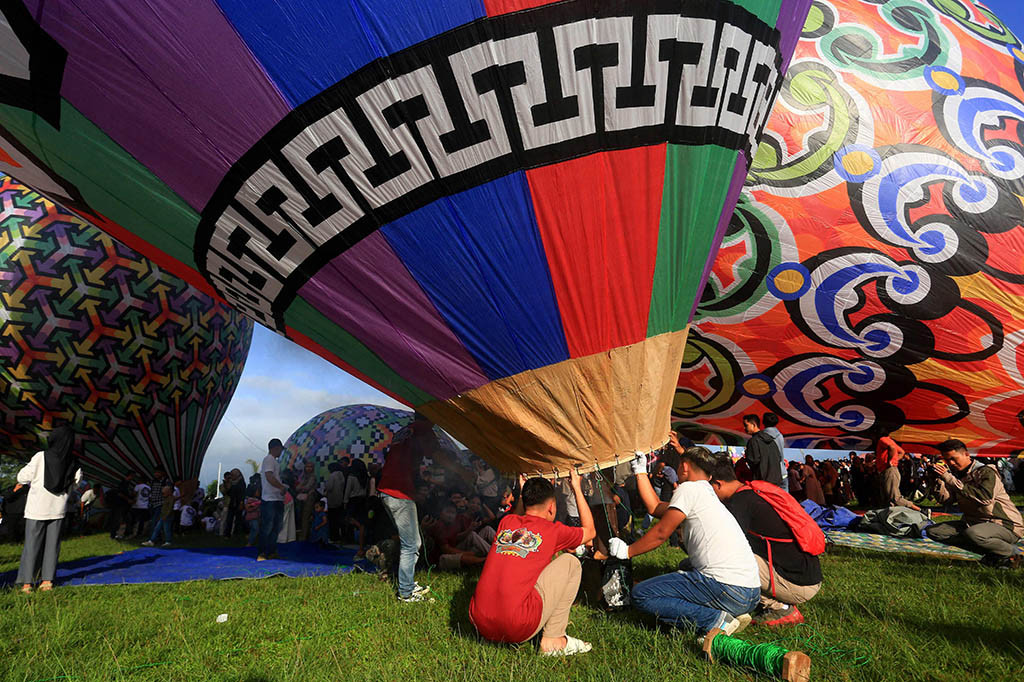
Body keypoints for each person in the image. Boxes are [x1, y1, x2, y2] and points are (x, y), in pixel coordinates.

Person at [607, 445, 760, 637]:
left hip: (729, 591)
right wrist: (640, 472)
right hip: (750, 594)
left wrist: (627, 551)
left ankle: (716, 620)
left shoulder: (688, 489)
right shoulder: (706, 493)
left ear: (685, 467)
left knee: (641, 594)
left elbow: (661, 533)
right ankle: (731, 610)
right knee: (686, 565)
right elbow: (655, 507)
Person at [470, 468, 596, 655]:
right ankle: (554, 640)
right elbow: (590, 531)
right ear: (551, 507)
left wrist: (523, 493)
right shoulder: (553, 531)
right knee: (571, 562)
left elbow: (519, 514)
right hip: (517, 626)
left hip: (480, 622)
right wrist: (577, 488)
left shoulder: (506, 523)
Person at [709, 456, 822, 626]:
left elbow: (722, 546)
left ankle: (781, 608)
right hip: (810, 576)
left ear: (718, 484)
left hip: (798, 585)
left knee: (722, 559)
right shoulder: (753, 491)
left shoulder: (739, 503)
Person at [925, 440, 1024, 568]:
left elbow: (985, 498)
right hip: (975, 523)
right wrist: (936, 481)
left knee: (973, 534)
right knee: (935, 531)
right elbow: (947, 500)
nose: (951, 463)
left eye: (954, 459)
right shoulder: (956, 475)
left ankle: (1012, 553)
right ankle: (995, 554)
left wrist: (950, 479)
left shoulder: (986, 471)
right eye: (947, 460)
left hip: (1004, 524)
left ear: (967, 454)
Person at [376, 414, 444, 602]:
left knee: (412, 542)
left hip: (389, 491)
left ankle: (407, 583)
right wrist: (463, 473)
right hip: (398, 494)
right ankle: (405, 593)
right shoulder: (423, 428)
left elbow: (404, 462)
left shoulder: (405, 431)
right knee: (411, 544)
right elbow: (438, 455)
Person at [15, 425, 82, 593]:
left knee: (32, 545)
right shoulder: (74, 462)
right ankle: (47, 581)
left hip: (36, 508)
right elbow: (76, 484)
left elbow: (22, 477)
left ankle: (27, 583)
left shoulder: (41, 456)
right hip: (58, 509)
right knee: (52, 546)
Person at [258, 438, 288, 561]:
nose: (281, 452)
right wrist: (281, 487)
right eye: (280, 449)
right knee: (268, 526)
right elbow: (269, 476)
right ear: (276, 448)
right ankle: (262, 553)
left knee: (276, 526)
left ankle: (271, 551)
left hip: (276, 498)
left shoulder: (273, 461)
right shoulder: (269, 460)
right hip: (270, 499)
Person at [875, 430, 919, 511]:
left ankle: (920, 510)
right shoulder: (890, 440)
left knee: (894, 497)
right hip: (890, 470)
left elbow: (892, 448)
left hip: (889, 470)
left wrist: (890, 461)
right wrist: (895, 459)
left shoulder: (883, 439)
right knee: (888, 497)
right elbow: (901, 452)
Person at [741, 415, 784, 487]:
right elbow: (778, 457)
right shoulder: (772, 440)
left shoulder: (753, 441)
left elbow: (753, 461)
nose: (744, 428)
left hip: (761, 481)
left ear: (754, 425)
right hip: (776, 480)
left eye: (746, 425)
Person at [344, 458, 372, 557]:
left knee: (350, 519)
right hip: (363, 501)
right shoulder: (366, 477)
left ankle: (356, 544)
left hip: (353, 501)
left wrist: (345, 502)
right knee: (362, 524)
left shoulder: (352, 477)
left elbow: (348, 491)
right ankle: (361, 547)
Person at [761, 413, 788, 492]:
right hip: (782, 471)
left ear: (763, 422)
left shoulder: (761, 437)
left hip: (770, 474)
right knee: (784, 497)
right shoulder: (780, 436)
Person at [296, 460, 318, 541]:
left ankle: (304, 536)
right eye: (307, 467)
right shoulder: (305, 476)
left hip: (309, 498)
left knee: (306, 517)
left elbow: (307, 487)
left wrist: (301, 488)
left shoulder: (312, 477)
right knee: (304, 517)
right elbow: (298, 488)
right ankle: (305, 535)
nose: (308, 468)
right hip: (305, 498)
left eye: (310, 467)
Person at [325, 461, 346, 541]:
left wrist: (325, 486)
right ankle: (340, 537)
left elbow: (329, 487)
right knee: (338, 519)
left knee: (332, 520)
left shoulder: (332, 475)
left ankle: (334, 537)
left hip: (332, 500)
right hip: (340, 499)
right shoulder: (341, 475)